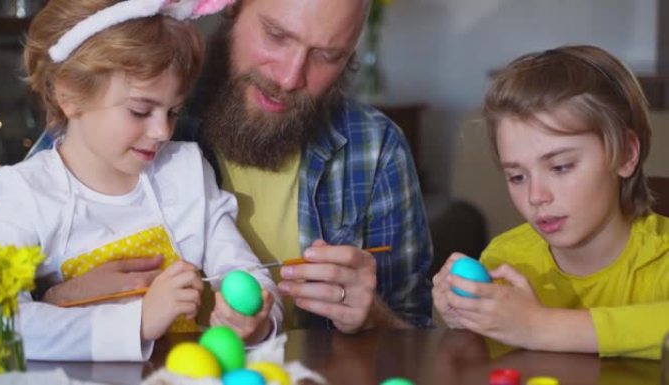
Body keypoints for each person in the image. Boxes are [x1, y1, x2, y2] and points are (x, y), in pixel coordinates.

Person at [39, 0, 434, 332]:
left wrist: (373, 317)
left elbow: (416, 338)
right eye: (276, 35)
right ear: (231, 9)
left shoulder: (376, 148)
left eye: (327, 56)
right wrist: (56, 299)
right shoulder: (130, 107)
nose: (290, 76)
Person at [0, 0, 282, 362]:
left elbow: (244, 269)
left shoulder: (185, 171)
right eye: (140, 110)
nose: (161, 131)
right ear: (70, 96)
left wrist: (257, 319)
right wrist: (137, 322)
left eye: (173, 111)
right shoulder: (27, 194)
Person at [432, 45, 669, 359]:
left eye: (560, 167)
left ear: (626, 153)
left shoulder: (661, 259)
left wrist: (540, 326)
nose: (535, 196)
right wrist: (465, 319)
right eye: (517, 176)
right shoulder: (507, 262)